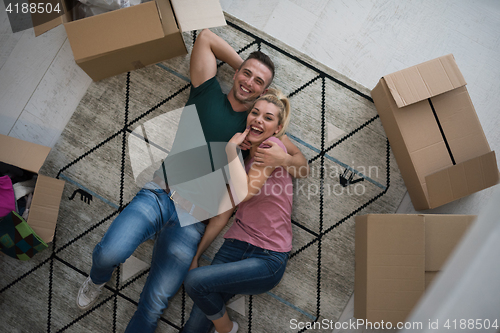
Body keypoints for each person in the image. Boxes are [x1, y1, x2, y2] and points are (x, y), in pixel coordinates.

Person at [75, 28, 308, 333]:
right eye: (246, 74)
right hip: (160, 194)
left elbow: (300, 164)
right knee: (109, 253)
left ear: (266, 96)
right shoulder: (206, 91)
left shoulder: (258, 126)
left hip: (193, 220)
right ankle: (96, 279)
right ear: (237, 72)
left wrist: (283, 159)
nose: (249, 82)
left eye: (258, 82)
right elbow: (207, 38)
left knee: (155, 304)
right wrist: (246, 70)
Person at [182, 89, 294, 333]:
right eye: (255, 113)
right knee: (194, 326)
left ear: (277, 128)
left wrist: (231, 150)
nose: (258, 119)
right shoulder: (242, 162)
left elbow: (245, 192)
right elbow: (223, 212)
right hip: (235, 246)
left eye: (267, 117)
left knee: (194, 282)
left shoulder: (272, 148)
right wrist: (196, 255)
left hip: (268, 257)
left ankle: (227, 329)